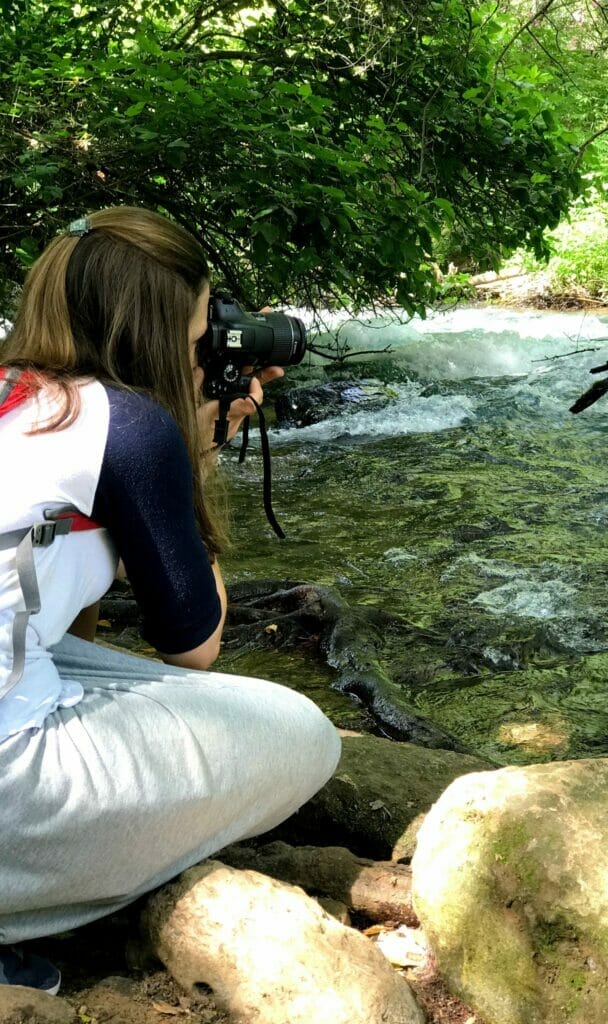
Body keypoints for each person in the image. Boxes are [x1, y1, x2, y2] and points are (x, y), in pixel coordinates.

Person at [0, 207, 341, 994]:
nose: (208, 352)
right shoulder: (126, 425)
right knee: (304, 732)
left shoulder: (22, 401)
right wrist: (195, 446)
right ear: (158, 334)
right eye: (200, 334)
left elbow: (48, 610)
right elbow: (194, 643)